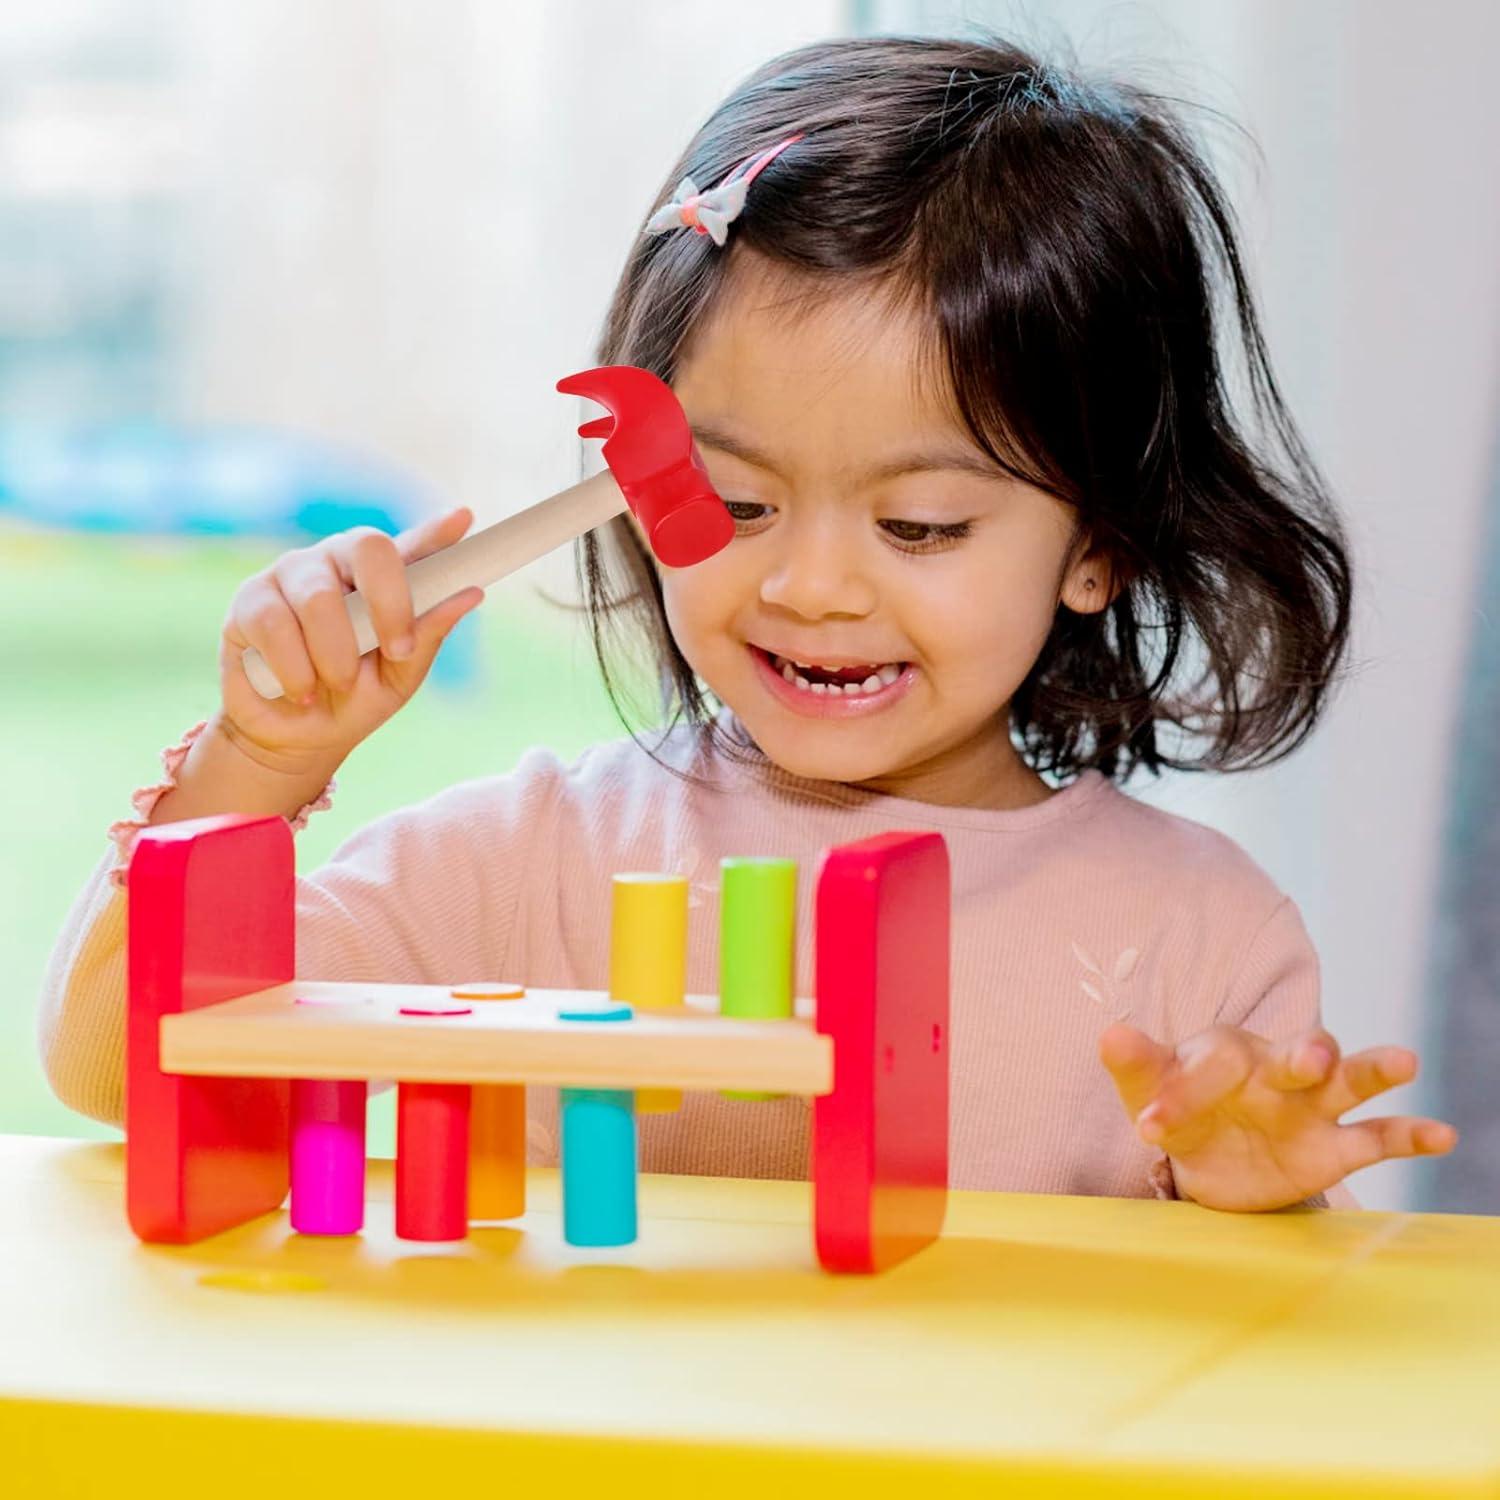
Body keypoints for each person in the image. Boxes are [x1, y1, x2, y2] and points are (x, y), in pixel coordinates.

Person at [39, 34, 1456, 1211]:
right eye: (738, 502)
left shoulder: (1196, 938)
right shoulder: (534, 862)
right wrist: (257, 764)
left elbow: (1238, 1380)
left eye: (919, 527)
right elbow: (120, 1068)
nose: (812, 589)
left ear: (1097, 544)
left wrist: (1250, 1194)